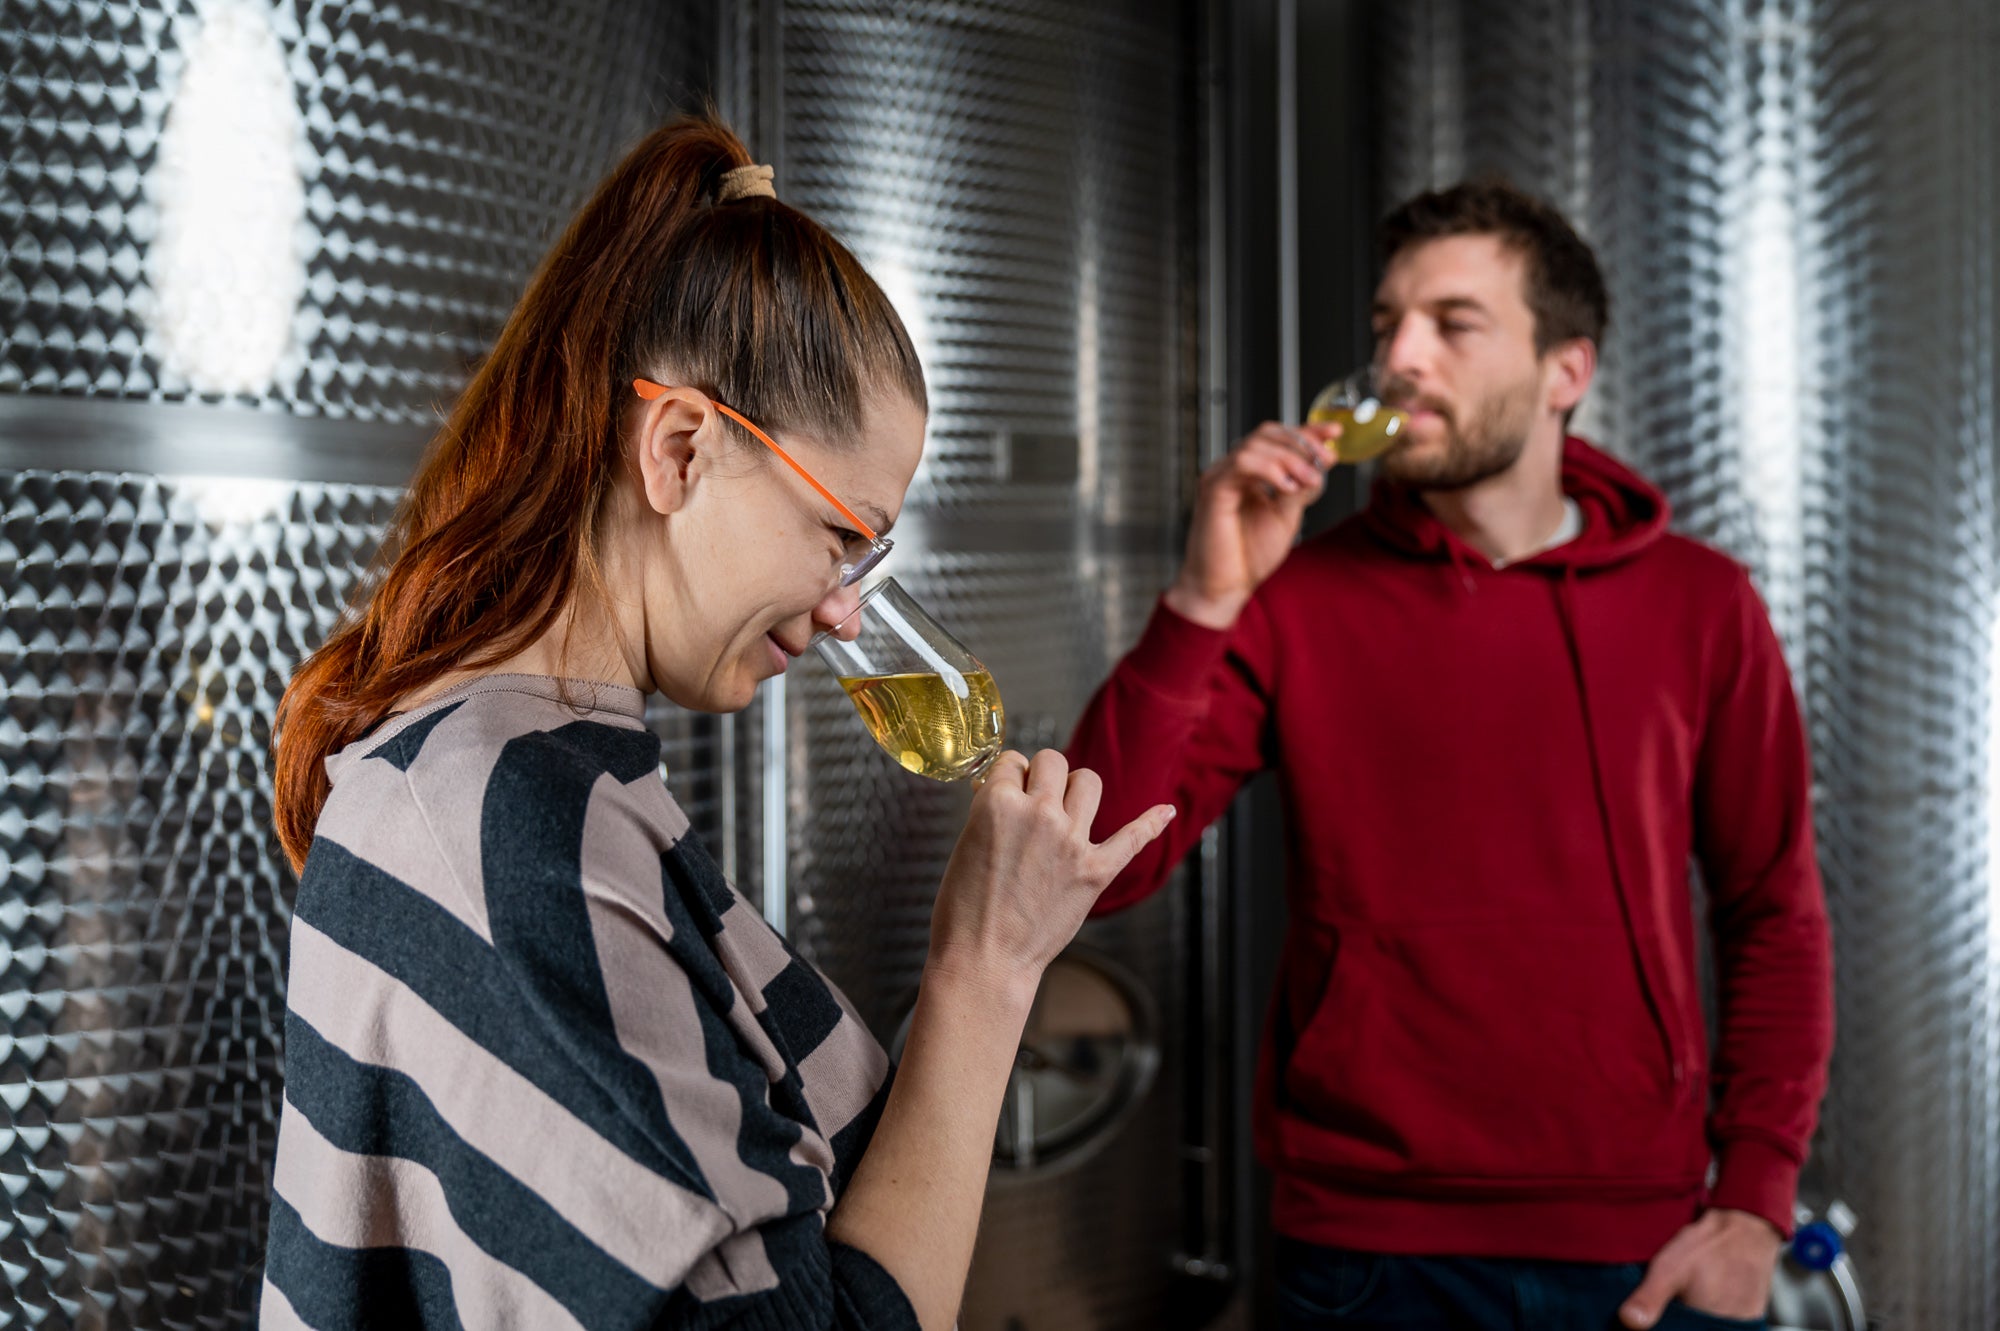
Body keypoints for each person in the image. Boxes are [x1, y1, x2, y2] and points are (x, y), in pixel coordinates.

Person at [262, 114, 1173, 1331]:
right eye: (839, 535)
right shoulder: (520, 829)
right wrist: (986, 967)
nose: (850, 611)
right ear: (682, 448)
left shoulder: (531, 773)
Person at [1067, 180, 1833, 1330]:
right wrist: (1203, 597)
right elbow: (1097, 860)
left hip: (1642, 1249)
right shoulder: (1295, 596)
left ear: (1563, 371)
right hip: (1363, 1255)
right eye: (1386, 323)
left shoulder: (1701, 604)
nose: (1398, 357)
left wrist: (1756, 1202)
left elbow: (1771, 908)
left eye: (1451, 323)